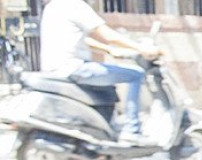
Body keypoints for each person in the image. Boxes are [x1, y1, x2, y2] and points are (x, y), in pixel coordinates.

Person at [39, 0, 160, 139]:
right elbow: (107, 35)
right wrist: (141, 48)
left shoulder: (52, 6)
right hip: (75, 68)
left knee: (108, 81)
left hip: (56, 69)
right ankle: (132, 130)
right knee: (135, 74)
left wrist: (108, 50)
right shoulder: (75, 5)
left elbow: (80, 39)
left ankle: (109, 127)